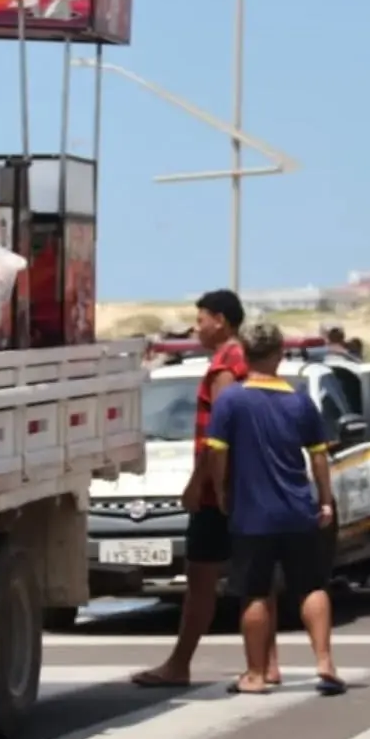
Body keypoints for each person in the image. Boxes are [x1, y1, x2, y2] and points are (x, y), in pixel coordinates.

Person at [131, 289, 264, 687]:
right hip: (242, 488)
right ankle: (265, 663)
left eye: (201, 318)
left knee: (201, 581)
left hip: (217, 493)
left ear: (220, 320)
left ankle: (179, 664)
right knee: (255, 581)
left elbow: (220, 436)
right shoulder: (243, 360)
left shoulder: (226, 364)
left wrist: (199, 485)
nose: (197, 326)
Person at [206, 323, 343, 695]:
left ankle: (257, 673)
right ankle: (324, 661)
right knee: (311, 586)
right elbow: (318, 457)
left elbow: (216, 452)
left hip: (252, 514)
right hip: (298, 511)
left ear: (244, 355)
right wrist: (325, 500)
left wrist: (220, 489)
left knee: (254, 592)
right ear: (279, 354)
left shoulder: (231, 401)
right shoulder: (299, 400)